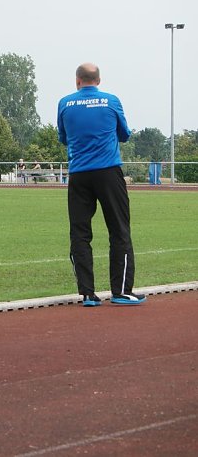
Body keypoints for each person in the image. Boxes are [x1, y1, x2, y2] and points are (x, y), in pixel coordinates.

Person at [57, 62, 144, 307]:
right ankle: (121, 291)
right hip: (108, 173)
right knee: (119, 230)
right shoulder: (111, 100)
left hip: (79, 175)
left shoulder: (64, 103)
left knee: (80, 233)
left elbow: (63, 138)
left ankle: (87, 294)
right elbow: (125, 134)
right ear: (99, 80)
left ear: (77, 81)